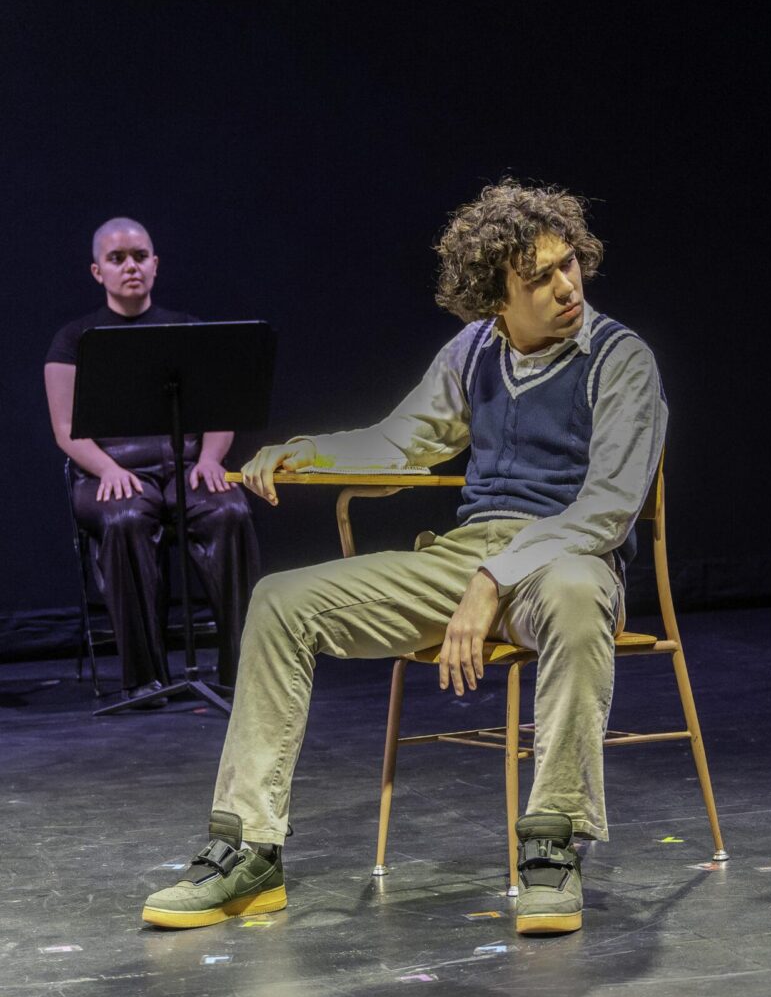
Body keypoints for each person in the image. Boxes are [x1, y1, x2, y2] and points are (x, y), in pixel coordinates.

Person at [140, 182, 666, 938]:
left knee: (581, 590)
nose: (567, 285)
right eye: (540, 277)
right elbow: (400, 445)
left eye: (569, 264)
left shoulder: (620, 359)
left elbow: (608, 508)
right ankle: (248, 849)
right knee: (282, 600)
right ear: (495, 298)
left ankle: (552, 843)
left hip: (566, 559)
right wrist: (306, 452)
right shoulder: (473, 350)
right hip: (468, 556)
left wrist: (495, 580)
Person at [44, 218, 260, 707]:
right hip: (113, 469)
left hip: (186, 466)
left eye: (139, 256)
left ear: (155, 264)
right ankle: (145, 679)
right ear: (98, 271)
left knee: (230, 511)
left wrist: (209, 457)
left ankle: (240, 670)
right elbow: (64, 428)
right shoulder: (74, 338)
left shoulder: (187, 329)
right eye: (117, 259)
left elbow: (220, 412)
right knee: (123, 520)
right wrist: (108, 469)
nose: (130, 266)